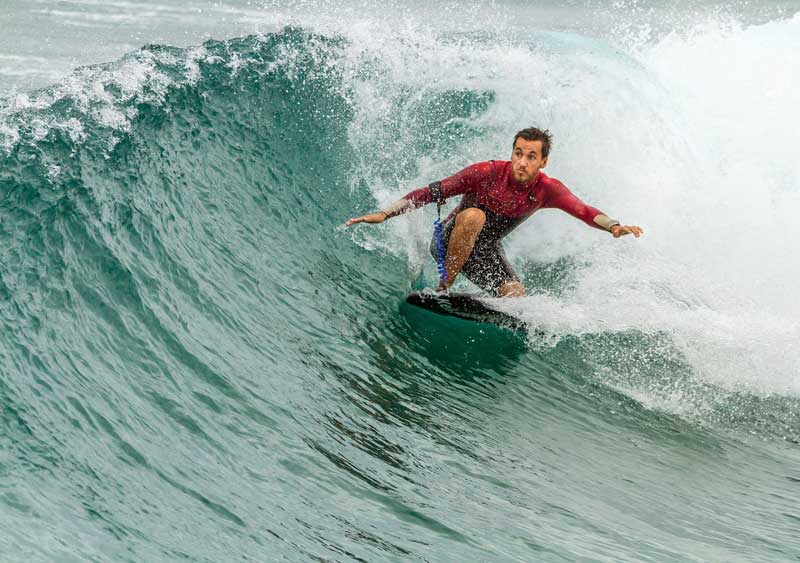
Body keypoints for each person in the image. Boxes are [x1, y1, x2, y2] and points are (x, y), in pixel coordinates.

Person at [345, 127, 643, 297]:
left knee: (516, 296)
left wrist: (613, 226)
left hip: (484, 252)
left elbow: (583, 210)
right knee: (475, 216)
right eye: (518, 153)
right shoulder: (485, 173)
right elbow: (431, 192)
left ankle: (472, 300)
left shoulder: (547, 190)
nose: (522, 162)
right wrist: (384, 214)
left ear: (543, 162)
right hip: (447, 244)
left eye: (531, 156)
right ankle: (443, 288)